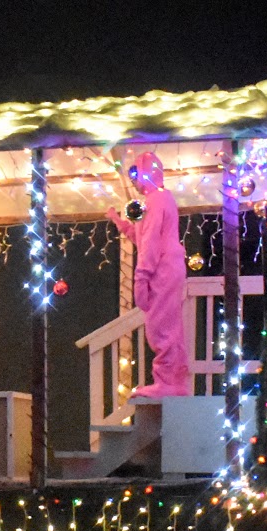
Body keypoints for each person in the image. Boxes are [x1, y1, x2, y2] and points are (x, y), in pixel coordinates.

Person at [106, 151, 190, 398]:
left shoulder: (156, 202)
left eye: (137, 174)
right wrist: (120, 224)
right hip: (167, 268)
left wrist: (141, 278)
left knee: (160, 328)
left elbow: (151, 243)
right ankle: (173, 380)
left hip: (161, 271)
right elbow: (144, 238)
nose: (134, 181)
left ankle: (168, 382)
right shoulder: (160, 201)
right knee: (168, 325)